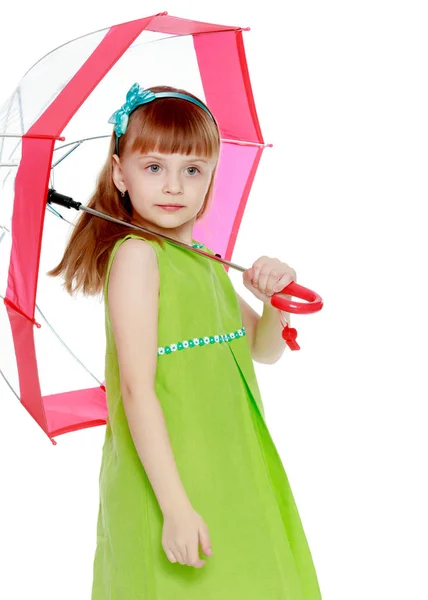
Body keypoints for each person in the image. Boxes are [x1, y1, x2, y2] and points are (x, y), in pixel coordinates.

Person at [49, 83, 322, 599]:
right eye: (153, 167)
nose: (173, 186)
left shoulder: (204, 258)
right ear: (119, 174)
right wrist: (174, 506)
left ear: (210, 180)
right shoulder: (137, 257)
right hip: (169, 477)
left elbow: (262, 351)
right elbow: (136, 390)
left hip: (230, 461)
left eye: (191, 170)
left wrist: (273, 301)